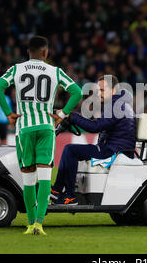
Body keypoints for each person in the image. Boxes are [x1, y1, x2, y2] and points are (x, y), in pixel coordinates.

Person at [0, 35, 83, 235]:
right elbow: (77, 91)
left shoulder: (17, 69)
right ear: (45, 52)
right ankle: (39, 224)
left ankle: (30, 222)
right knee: (44, 177)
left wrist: (8, 113)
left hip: (24, 127)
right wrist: (62, 113)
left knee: (28, 179)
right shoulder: (55, 71)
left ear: (28, 52)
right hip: (46, 127)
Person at [50, 75, 136, 205]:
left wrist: (72, 116)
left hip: (114, 150)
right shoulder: (118, 103)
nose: (98, 94)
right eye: (98, 90)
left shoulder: (117, 105)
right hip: (114, 148)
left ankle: (69, 195)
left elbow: (96, 127)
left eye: (102, 90)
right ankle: (58, 191)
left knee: (71, 150)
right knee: (71, 150)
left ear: (114, 89)